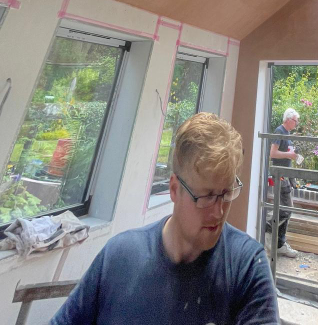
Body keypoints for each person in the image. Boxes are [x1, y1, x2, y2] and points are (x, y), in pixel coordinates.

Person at [50, 113, 279, 325]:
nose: (219, 212)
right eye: (207, 196)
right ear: (174, 189)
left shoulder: (247, 268)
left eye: (227, 193)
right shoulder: (119, 256)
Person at [266, 108, 300, 258]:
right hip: (279, 176)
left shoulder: (287, 134)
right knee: (286, 209)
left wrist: (293, 157)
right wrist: (289, 155)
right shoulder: (279, 131)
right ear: (288, 119)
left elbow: (287, 156)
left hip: (285, 176)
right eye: (295, 121)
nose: (296, 123)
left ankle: (279, 243)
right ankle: (267, 230)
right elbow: (273, 153)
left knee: (285, 209)